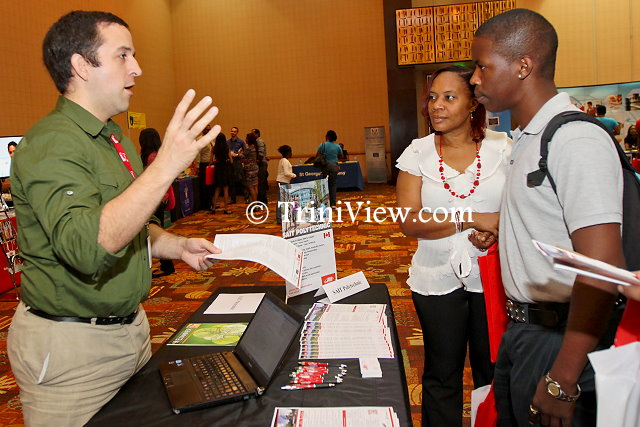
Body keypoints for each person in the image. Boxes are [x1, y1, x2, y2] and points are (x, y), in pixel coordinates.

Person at [7, 11, 222, 425]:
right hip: (73, 349)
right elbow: (87, 248)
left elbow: (127, 223)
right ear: (81, 65)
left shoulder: (114, 138)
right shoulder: (52, 143)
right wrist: (167, 166)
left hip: (131, 331)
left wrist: (175, 245)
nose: (137, 68)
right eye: (123, 55)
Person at [471, 9, 624, 426]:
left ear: (524, 66)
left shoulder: (574, 139)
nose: (474, 79)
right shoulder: (528, 139)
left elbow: (604, 268)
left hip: (561, 340)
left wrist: (564, 378)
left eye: (482, 66)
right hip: (524, 331)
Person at [396, 65, 511, 427]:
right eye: (432, 97)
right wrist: (471, 219)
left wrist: (495, 231)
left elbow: (519, 211)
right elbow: (408, 221)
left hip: (493, 277)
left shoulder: (503, 148)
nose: (437, 106)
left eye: (449, 97)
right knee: (441, 374)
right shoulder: (417, 153)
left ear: (473, 103)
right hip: (435, 278)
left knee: (491, 373)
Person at [139, 127, 176, 277]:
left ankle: (167, 266)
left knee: (155, 232)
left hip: (154, 198)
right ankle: (166, 265)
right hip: (157, 197)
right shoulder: (157, 154)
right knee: (155, 232)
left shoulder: (152, 156)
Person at [315, 130, 343, 207]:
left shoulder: (322, 145)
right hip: (334, 166)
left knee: (324, 184)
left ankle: (325, 203)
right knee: (333, 185)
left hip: (325, 166)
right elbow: (341, 156)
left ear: (327, 136)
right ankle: (333, 204)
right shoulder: (337, 146)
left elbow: (317, 155)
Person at [210, 132, 232, 215]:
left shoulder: (214, 148)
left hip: (218, 168)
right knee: (226, 189)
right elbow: (231, 160)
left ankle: (213, 208)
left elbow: (211, 161)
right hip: (225, 168)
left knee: (217, 189)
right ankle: (226, 209)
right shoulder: (227, 147)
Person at [276, 144, 296, 223]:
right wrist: (294, 175)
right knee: (282, 200)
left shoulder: (282, 160)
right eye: (291, 152)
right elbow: (286, 173)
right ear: (287, 152)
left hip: (283, 181)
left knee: (283, 200)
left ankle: (281, 217)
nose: (291, 153)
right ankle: (280, 218)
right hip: (283, 181)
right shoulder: (285, 161)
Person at [227, 126, 247, 204]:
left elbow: (245, 152)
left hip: (238, 161)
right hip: (230, 163)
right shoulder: (227, 142)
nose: (233, 133)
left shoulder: (241, 142)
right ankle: (233, 199)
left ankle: (246, 197)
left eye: (234, 131)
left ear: (237, 133)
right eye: (232, 131)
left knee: (241, 180)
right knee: (231, 181)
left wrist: (238, 154)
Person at [196, 124, 214, 210]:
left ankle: (211, 202)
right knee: (205, 186)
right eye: (206, 130)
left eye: (209, 130)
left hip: (210, 165)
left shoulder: (210, 139)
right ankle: (206, 205)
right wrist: (197, 166)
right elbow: (197, 154)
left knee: (210, 185)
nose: (208, 131)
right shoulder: (200, 140)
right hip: (203, 165)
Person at [253, 128, 269, 203]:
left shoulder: (259, 141)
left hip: (261, 164)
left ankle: (263, 200)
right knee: (260, 183)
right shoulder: (255, 142)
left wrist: (257, 160)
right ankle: (261, 199)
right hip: (260, 163)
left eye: (253, 134)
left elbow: (261, 154)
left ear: (257, 134)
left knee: (262, 183)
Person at [243, 132, 259, 202]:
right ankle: (257, 203)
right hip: (255, 167)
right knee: (255, 186)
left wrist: (238, 153)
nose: (245, 140)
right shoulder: (255, 147)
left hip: (249, 170)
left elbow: (241, 156)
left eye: (246, 138)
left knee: (251, 187)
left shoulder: (249, 149)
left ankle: (254, 204)